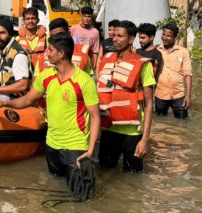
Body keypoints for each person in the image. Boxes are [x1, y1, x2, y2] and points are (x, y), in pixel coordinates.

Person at [0, 32, 100, 201]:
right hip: (51, 145)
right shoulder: (46, 77)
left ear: (61, 54)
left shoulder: (84, 81)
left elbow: (95, 117)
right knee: (54, 185)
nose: (46, 53)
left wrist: (91, 150)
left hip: (75, 147)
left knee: (81, 198)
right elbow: (28, 99)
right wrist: (5, 104)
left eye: (50, 50)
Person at [97, 20, 155, 172]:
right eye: (114, 35)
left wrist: (144, 140)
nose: (115, 39)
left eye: (120, 36)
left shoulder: (143, 64)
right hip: (109, 130)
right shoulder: (106, 60)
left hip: (132, 132)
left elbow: (149, 104)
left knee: (133, 177)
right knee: (104, 172)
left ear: (130, 39)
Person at [0, 19, 31, 100]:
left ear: (10, 34)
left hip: (16, 100)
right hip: (5, 95)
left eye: (2, 33)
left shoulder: (18, 55)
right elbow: (7, 75)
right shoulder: (5, 50)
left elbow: (23, 85)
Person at [155, 22, 192, 119]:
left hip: (178, 95)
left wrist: (188, 96)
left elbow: (187, 74)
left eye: (168, 36)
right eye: (163, 34)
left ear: (175, 37)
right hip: (160, 94)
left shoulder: (183, 52)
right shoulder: (156, 51)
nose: (165, 37)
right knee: (159, 122)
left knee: (183, 122)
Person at [16, 7, 47, 76]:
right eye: (28, 19)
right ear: (23, 21)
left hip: (41, 75)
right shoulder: (17, 39)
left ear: (38, 20)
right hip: (23, 75)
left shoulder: (46, 38)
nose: (30, 21)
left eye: (33, 18)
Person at [70, 6, 100, 71]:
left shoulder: (95, 32)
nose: (87, 18)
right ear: (81, 16)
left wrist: (94, 65)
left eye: (89, 17)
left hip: (88, 64)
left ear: (92, 17)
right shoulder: (73, 29)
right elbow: (68, 45)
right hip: (74, 61)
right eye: (85, 16)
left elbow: (95, 51)